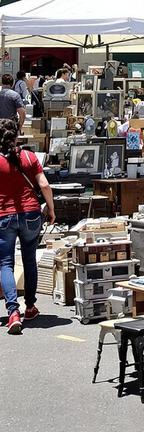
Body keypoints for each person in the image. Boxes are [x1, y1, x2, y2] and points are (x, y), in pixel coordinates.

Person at [0, 118, 53, 333]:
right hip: (31, 213)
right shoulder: (30, 157)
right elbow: (45, 185)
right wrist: (51, 209)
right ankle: (30, 306)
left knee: (5, 263)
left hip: (4, 216)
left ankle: (13, 311)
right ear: (18, 134)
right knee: (30, 260)